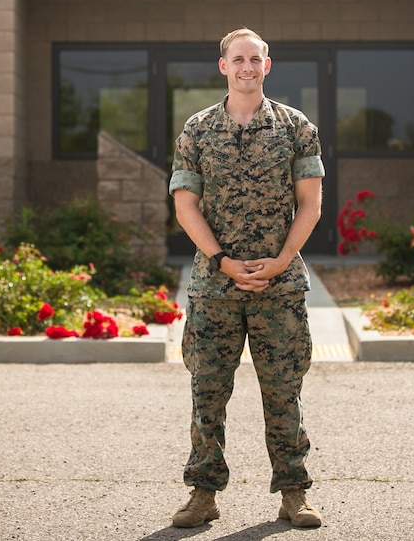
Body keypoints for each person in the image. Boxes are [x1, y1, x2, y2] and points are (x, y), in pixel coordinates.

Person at [168, 27, 325, 529]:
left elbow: (311, 203)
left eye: (255, 59)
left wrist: (281, 260)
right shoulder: (197, 129)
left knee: (283, 391)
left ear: (268, 65)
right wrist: (220, 260)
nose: (247, 68)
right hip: (216, 287)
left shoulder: (296, 126)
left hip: (279, 286)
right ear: (223, 66)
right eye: (238, 59)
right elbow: (185, 203)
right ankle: (202, 493)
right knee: (207, 392)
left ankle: (294, 492)